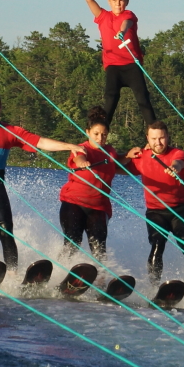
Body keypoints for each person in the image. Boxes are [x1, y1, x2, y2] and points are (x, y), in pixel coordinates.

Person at [0, 90, 84, 269]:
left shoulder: (10, 131)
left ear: (0, 108)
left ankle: (13, 273)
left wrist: (68, 146)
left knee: (6, 229)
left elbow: (40, 142)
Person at [124, 121, 184, 283]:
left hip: (178, 211)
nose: (158, 142)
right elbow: (118, 168)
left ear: (167, 137)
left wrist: (175, 167)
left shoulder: (177, 154)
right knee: (157, 247)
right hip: (155, 212)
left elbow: (180, 162)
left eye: (161, 138)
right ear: (147, 138)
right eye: (154, 138)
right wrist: (125, 156)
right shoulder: (142, 157)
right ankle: (154, 287)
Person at [84, 0, 157, 130]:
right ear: (109, 1)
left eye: (122, 1)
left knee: (143, 99)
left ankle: (154, 132)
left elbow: (126, 23)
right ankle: (100, 134)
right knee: (110, 99)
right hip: (113, 66)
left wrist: (122, 32)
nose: (118, 4)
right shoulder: (103, 16)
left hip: (131, 65)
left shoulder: (129, 14)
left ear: (127, 1)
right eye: (115, 0)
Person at [58, 107, 128, 261]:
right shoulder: (81, 148)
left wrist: (129, 155)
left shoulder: (110, 151)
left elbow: (116, 162)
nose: (100, 138)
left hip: (99, 206)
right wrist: (83, 162)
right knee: (73, 241)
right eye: (96, 134)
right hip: (73, 202)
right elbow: (79, 158)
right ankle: (59, 270)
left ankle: (101, 280)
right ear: (88, 132)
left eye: (104, 135)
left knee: (99, 248)